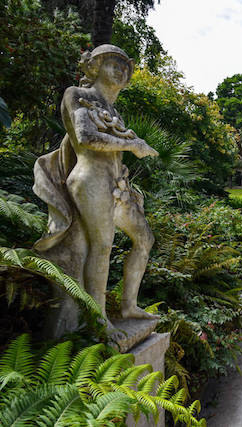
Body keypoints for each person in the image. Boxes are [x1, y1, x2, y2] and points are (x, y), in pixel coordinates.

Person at [33, 45, 159, 324]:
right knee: (102, 246)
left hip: (117, 186)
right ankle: (99, 319)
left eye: (125, 66)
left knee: (145, 240)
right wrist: (133, 145)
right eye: (113, 63)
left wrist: (128, 150)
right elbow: (86, 137)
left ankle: (129, 306)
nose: (122, 70)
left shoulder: (113, 110)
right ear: (94, 66)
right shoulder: (77, 95)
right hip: (90, 180)